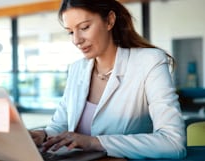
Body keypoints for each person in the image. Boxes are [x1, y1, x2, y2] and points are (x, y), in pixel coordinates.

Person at [30, 0, 186, 159]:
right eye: (70, 32)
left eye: (84, 28)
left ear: (110, 20)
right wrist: (43, 134)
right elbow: (60, 125)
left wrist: (94, 142)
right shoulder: (76, 68)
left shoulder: (149, 61)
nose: (76, 40)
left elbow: (173, 143)